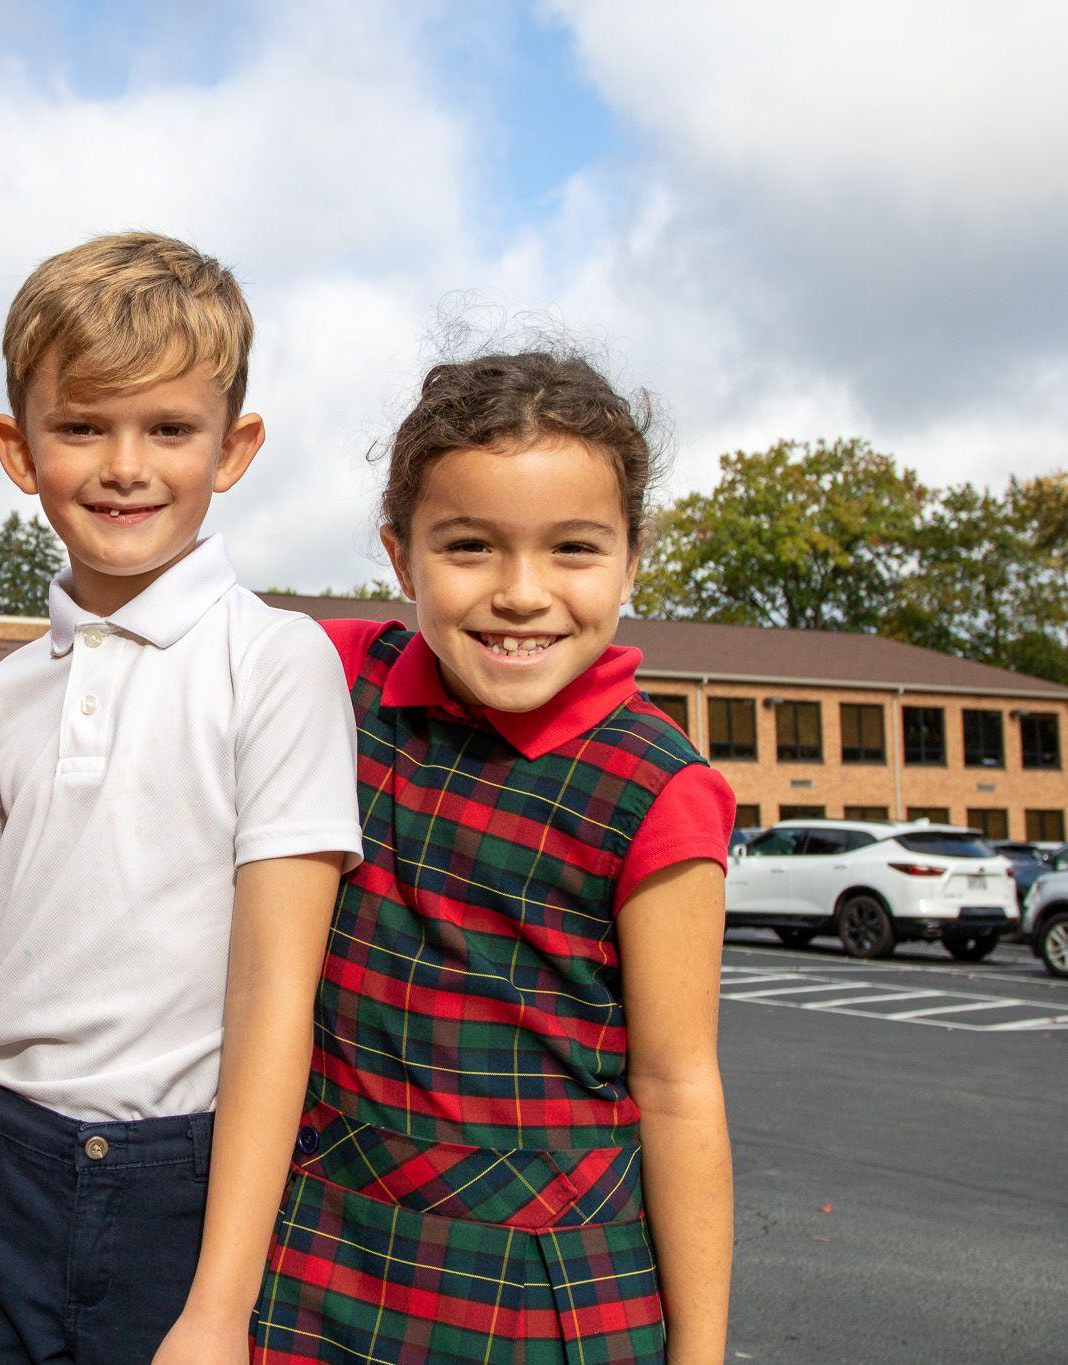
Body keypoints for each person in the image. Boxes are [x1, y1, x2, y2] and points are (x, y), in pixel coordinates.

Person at [0, 231, 363, 1365]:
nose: (125, 465)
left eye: (167, 428)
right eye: (81, 427)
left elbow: (272, 1003)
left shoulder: (274, 661)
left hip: (179, 1181)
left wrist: (216, 1309)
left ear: (233, 445)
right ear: (18, 449)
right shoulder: (10, 692)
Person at [253, 351, 736, 1364]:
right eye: (469, 546)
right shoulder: (338, 678)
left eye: (572, 549)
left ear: (631, 556)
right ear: (400, 557)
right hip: (319, 1249)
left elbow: (678, 1084)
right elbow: (122, 669)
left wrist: (697, 1352)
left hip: (544, 1288)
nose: (522, 594)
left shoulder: (658, 787)